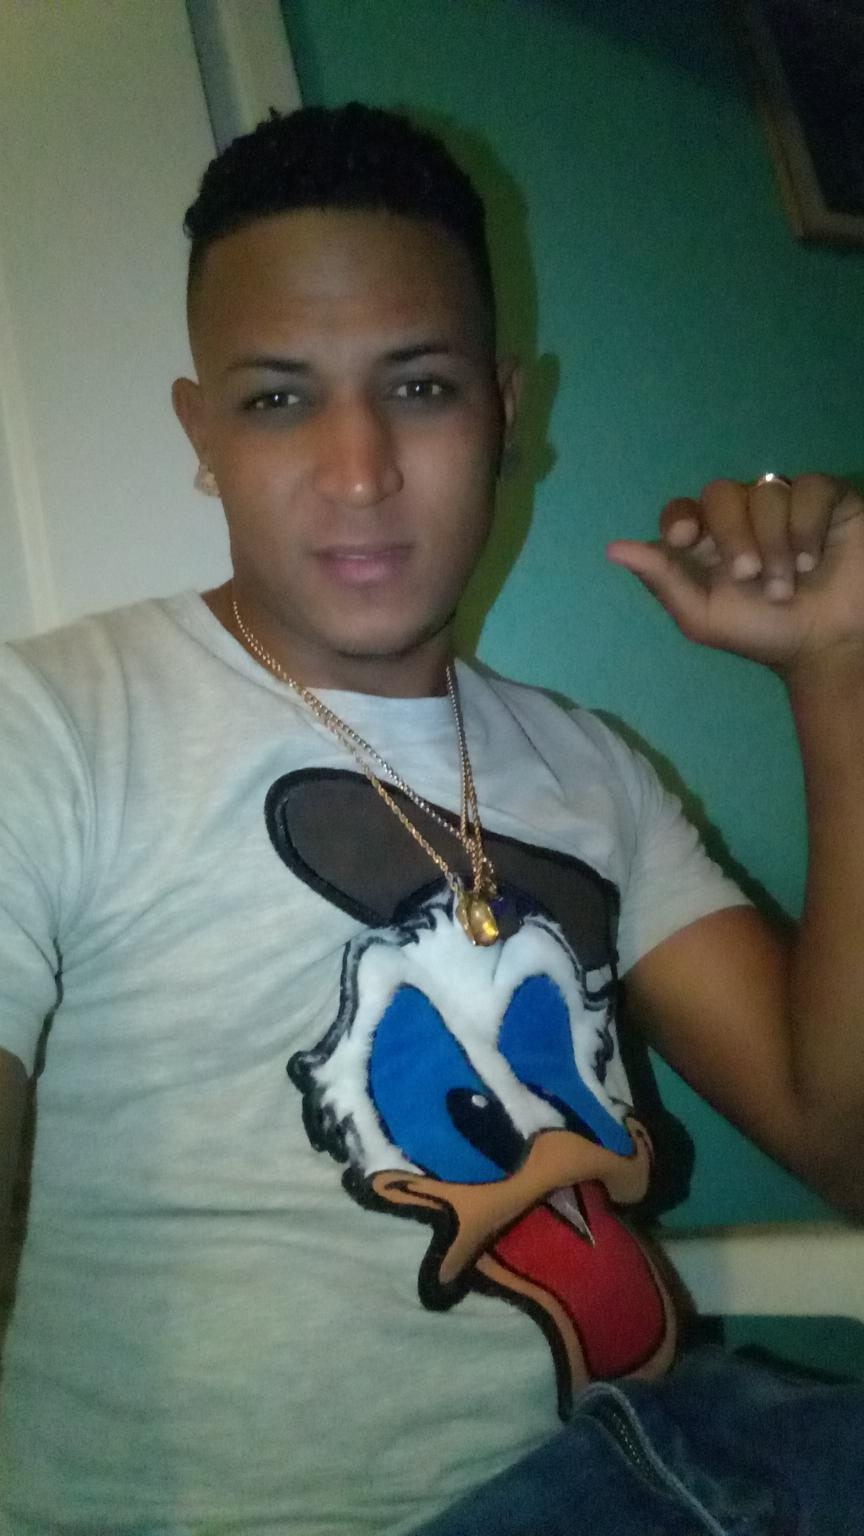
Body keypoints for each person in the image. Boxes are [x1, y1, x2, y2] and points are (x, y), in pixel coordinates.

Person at [0, 101, 861, 1536]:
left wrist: (839, 670)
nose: (360, 472)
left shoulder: (593, 768)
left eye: (418, 386)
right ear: (201, 433)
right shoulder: (52, 727)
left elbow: (844, 1140)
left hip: (699, 1445)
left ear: (505, 408)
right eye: (279, 399)